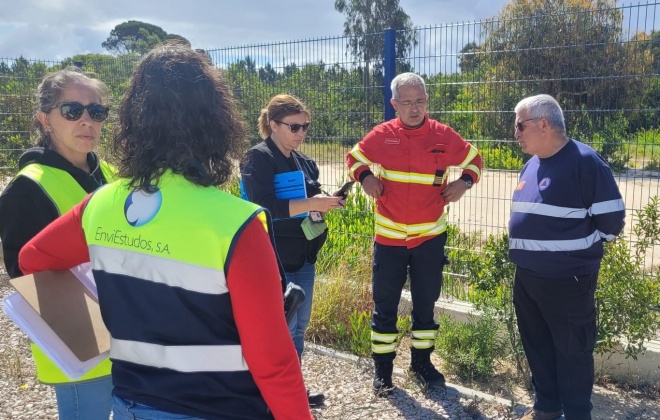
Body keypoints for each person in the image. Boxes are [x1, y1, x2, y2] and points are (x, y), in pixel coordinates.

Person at [19, 43, 312, 419]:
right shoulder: (238, 222)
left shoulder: (100, 203)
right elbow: (272, 361)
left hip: (130, 405)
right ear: (217, 123)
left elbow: (31, 258)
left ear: (132, 120)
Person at [345, 72, 483, 395]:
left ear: (427, 101)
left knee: (425, 304)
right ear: (394, 104)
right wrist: (365, 177)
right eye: (406, 102)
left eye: (419, 101)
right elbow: (353, 158)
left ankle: (422, 363)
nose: (414, 108)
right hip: (389, 240)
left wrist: (463, 184)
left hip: (429, 240)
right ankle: (383, 372)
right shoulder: (383, 135)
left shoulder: (443, 136)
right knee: (385, 305)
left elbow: (475, 161)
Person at [0, 67, 115, 419]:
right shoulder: (27, 188)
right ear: (44, 119)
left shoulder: (107, 173)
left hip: (123, 336)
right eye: (72, 111)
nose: (87, 121)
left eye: (96, 112)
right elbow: (29, 279)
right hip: (83, 349)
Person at [508, 94, 625, 420]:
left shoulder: (585, 163)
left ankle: (576, 414)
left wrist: (573, 254)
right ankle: (546, 408)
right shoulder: (532, 163)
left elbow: (611, 224)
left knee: (572, 353)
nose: (515, 133)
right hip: (527, 279)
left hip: (568, 281)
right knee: (538, 348)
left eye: (519, 125)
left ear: (543, 124)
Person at [240, 94, 343, 407]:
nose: (301, 133)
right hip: (273, 259)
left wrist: (327, 200)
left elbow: (310, 197)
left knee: (298, 328)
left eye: (305, 127)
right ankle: (267, 394)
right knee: (275, 330)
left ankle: (291, 388)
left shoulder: (304, 161)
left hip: (303, 257)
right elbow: (264, 206)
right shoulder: (257, 159)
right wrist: (313, 204)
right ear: (273, 125)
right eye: (294, 126)